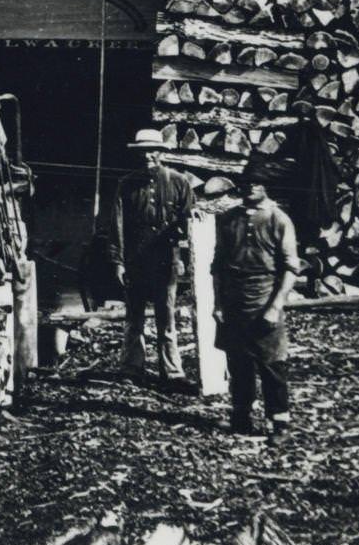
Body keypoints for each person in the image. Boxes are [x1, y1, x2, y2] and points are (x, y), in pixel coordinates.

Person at [212, 155, 299, 440]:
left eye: (257, 182)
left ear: (266, 186)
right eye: (247, 182)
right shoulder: (229, 219)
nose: (251, 187)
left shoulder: (278, 219)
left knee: (272, 364)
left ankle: (279, 422)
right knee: (238, 363)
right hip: (234, 300)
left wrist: (275, 306)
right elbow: (218, 266)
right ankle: (241, 416)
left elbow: (290, 268)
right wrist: (218, 304)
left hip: (264, 297)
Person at [109, 126, 196, 387]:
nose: (148, 156)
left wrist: (185, 259)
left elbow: (189, 222)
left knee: (166, 317)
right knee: (134, 318)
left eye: (153, 151)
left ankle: (172, 372)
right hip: (136, 260)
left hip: (165, 260)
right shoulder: (126, 185)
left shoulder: (179, 182)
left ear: (161, 152)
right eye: (144, 151)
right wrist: (118, 262)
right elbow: (117, 225)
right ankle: (131, 368)